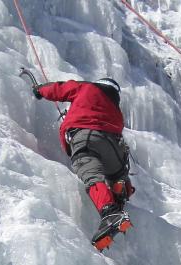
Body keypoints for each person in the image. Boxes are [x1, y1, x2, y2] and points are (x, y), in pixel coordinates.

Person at [32, 77, 135, 251]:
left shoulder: (86, 87)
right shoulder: (115, 107)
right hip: (114, 145)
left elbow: (60, 89)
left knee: (90, 172)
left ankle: (110, 212)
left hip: (87, 137)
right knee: (116, 172)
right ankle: (120, 191)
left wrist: (40, 89)